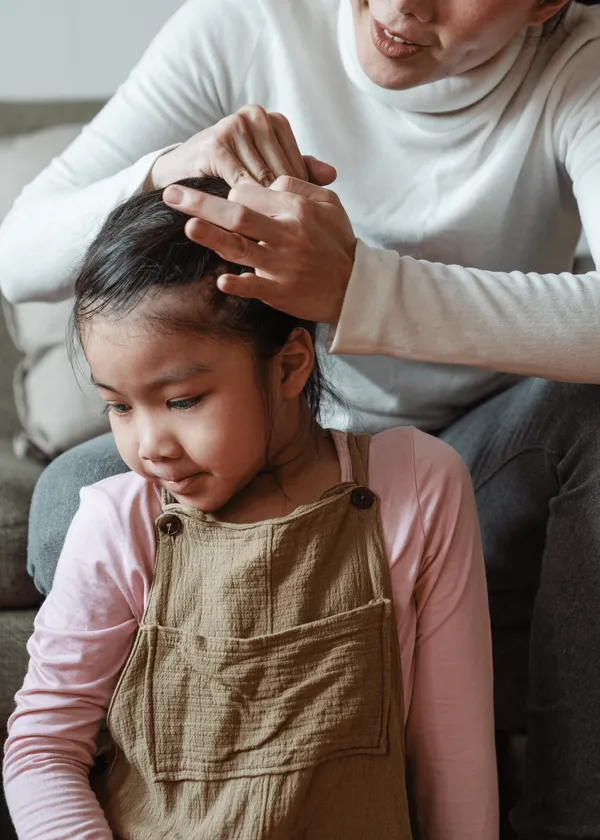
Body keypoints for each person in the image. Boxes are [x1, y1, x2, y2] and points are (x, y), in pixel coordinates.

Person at [0, 0, 598, 835]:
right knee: (72, 495)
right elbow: (16, 252)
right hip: (265, 416)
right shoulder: (249, 22)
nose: (402, 5)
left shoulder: (579, 66)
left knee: (590, 409)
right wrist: (166, 164)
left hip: (472, 452)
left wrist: (362, 287)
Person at [2, 177, 496, 839]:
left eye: (183, 401)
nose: (149, 446)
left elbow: (453, 764)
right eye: (119, 406)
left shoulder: (416, 485)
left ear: (290, 367)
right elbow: (42, 748)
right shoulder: (116, 524)